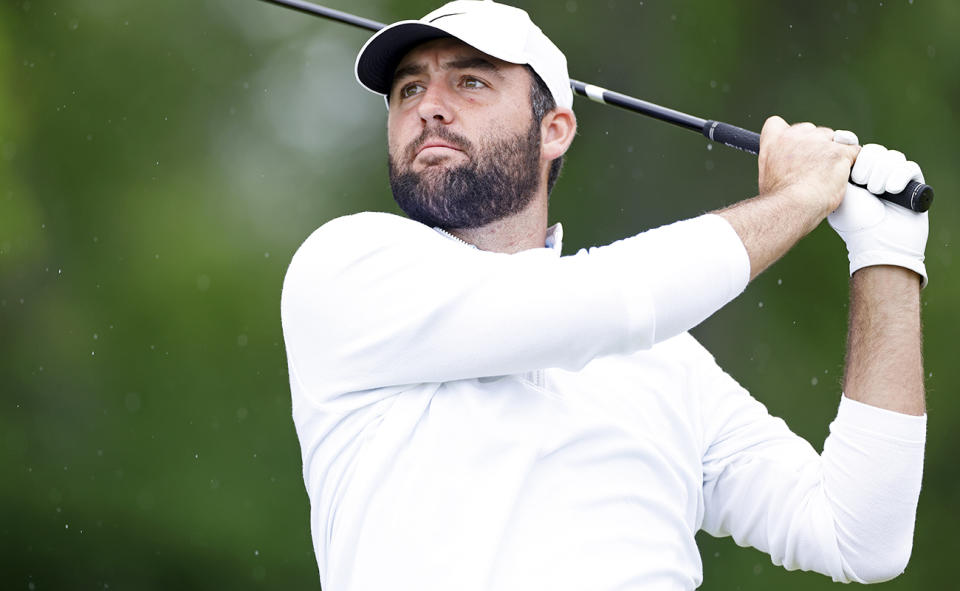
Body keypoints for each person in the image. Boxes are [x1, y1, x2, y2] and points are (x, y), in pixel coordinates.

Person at [280, 1, 929, 589]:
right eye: (409, 88)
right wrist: (797, 198)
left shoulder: (668, 365)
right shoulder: (348, 271)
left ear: (555, 129)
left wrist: (888, 258)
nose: (428, 105)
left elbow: (859, 536)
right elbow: (606, 301)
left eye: (470, 81)